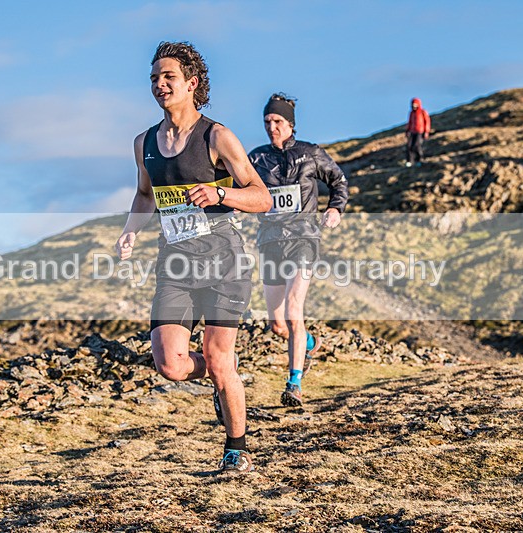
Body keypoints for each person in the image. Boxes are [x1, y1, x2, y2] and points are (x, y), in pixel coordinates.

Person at [115, 42, 272, 474]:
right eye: (154, 78)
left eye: (168, 77)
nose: (159, 85)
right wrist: (130, 231)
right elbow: (145, 195)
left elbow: (261, 197)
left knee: (219, 360)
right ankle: (223, 372)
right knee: (170, 364)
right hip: (176, 266)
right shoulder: (144, 143)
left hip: (224, 263)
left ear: (191, 83)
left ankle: (236, 448)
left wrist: (221, 193)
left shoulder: (217, 137)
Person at [248, 93, 349, 407]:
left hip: (303, 239)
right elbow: (240, 190)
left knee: (294, 311)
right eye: (267, 121)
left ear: (290, 124)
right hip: (270, 242)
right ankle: (309, 342)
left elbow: (338, 180)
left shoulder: (309, 153)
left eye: (278, 121)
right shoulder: (256, 159)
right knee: (278, 324)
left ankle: (294, 384)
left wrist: (335, 208)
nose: (272, 127)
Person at [405, 97, 431, 167]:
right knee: (409, 146)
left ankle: (419, 160)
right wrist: (407, 130)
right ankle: (409, 161)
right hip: (412, 131)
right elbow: (409, 122)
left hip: (420, 131)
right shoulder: (411, 113)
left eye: (415, 104)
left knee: (417, 146)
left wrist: (426, 131)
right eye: (413, 104)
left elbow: (427, 122)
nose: (414, 106)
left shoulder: (423, 112)